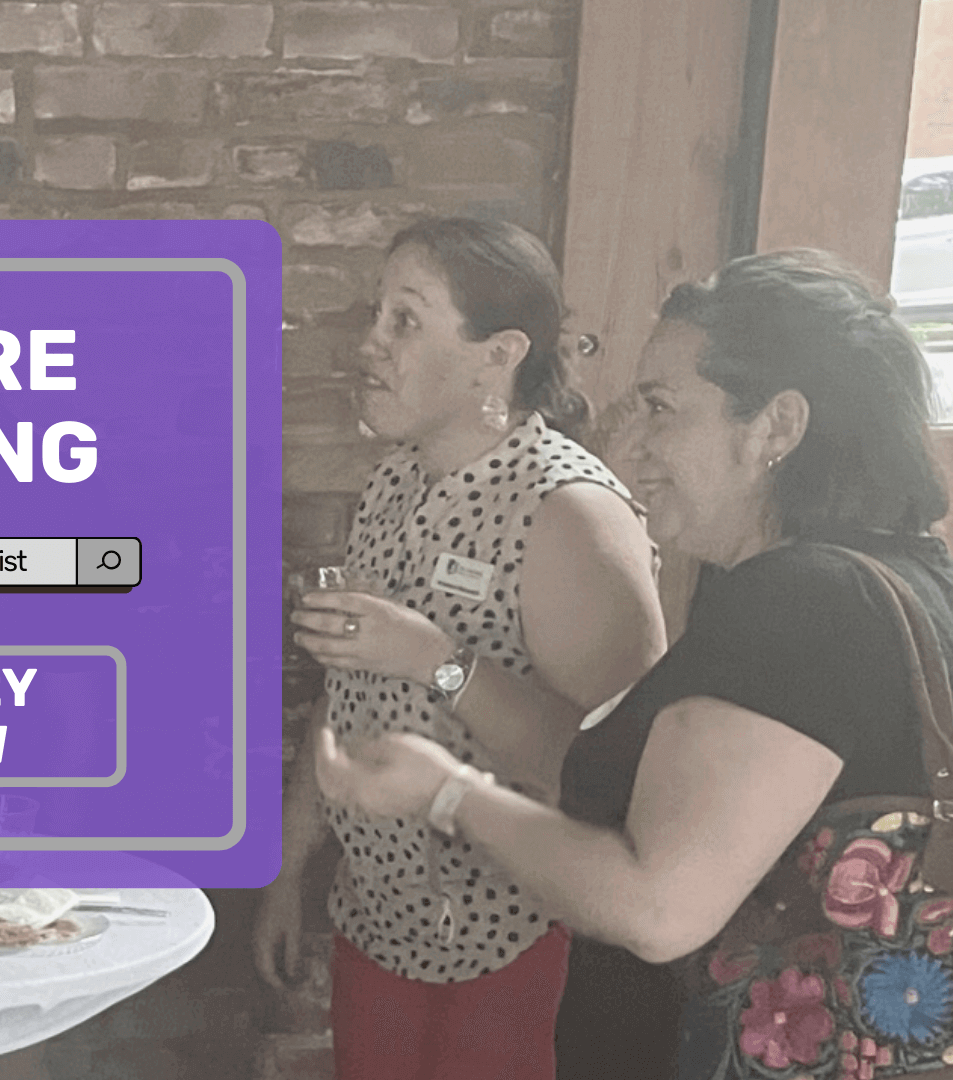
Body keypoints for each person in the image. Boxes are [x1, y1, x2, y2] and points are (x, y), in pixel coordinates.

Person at [314, 249, 953, 1080]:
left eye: (660, 407)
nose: (629, 441)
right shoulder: (911, 578)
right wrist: (440, 666)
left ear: (776, 428)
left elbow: (655, 907)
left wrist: (449, 794)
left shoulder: (803, 600)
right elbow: (607, 773)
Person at [254, 217, 670, 1080]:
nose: (369, 344)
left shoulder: (571, 513)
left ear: (499, 354)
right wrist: (287, 868)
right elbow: (346, 695)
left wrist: (438, 660)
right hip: (377, 928)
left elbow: (620, 780)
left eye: (405, 320)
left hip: (516, 947)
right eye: (376, 314)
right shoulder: (392, 482)